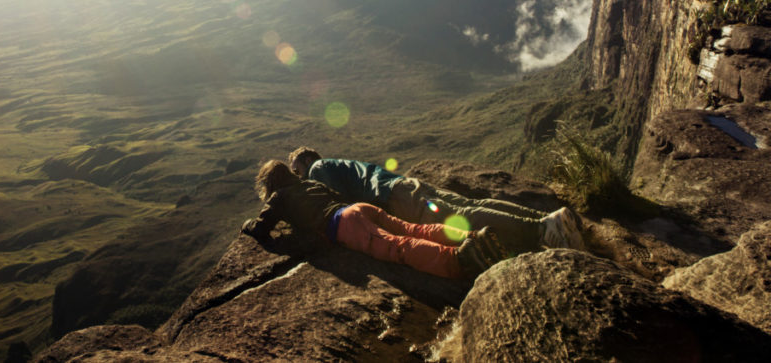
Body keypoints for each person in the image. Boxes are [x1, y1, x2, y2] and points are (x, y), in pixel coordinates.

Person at [241, 159, 507, 280]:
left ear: (269, 183)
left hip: (342, 223)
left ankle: (459, 260)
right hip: (358, 209)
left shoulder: (280, 197)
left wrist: (248, 225)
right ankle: (471, 238)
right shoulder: (309, 185)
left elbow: (261, 228)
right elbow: (335, 194)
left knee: (397, 247)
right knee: (414, 229)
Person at [287, 147, 583, 254]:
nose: (301, 178)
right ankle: (545, 220)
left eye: (297, 171)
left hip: (397, 198)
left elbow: (337, 202)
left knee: (462, 219)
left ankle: (542, 230)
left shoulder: (317, 170)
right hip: (404, 184)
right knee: (468, 208)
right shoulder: (338, 163)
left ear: (306, 161)